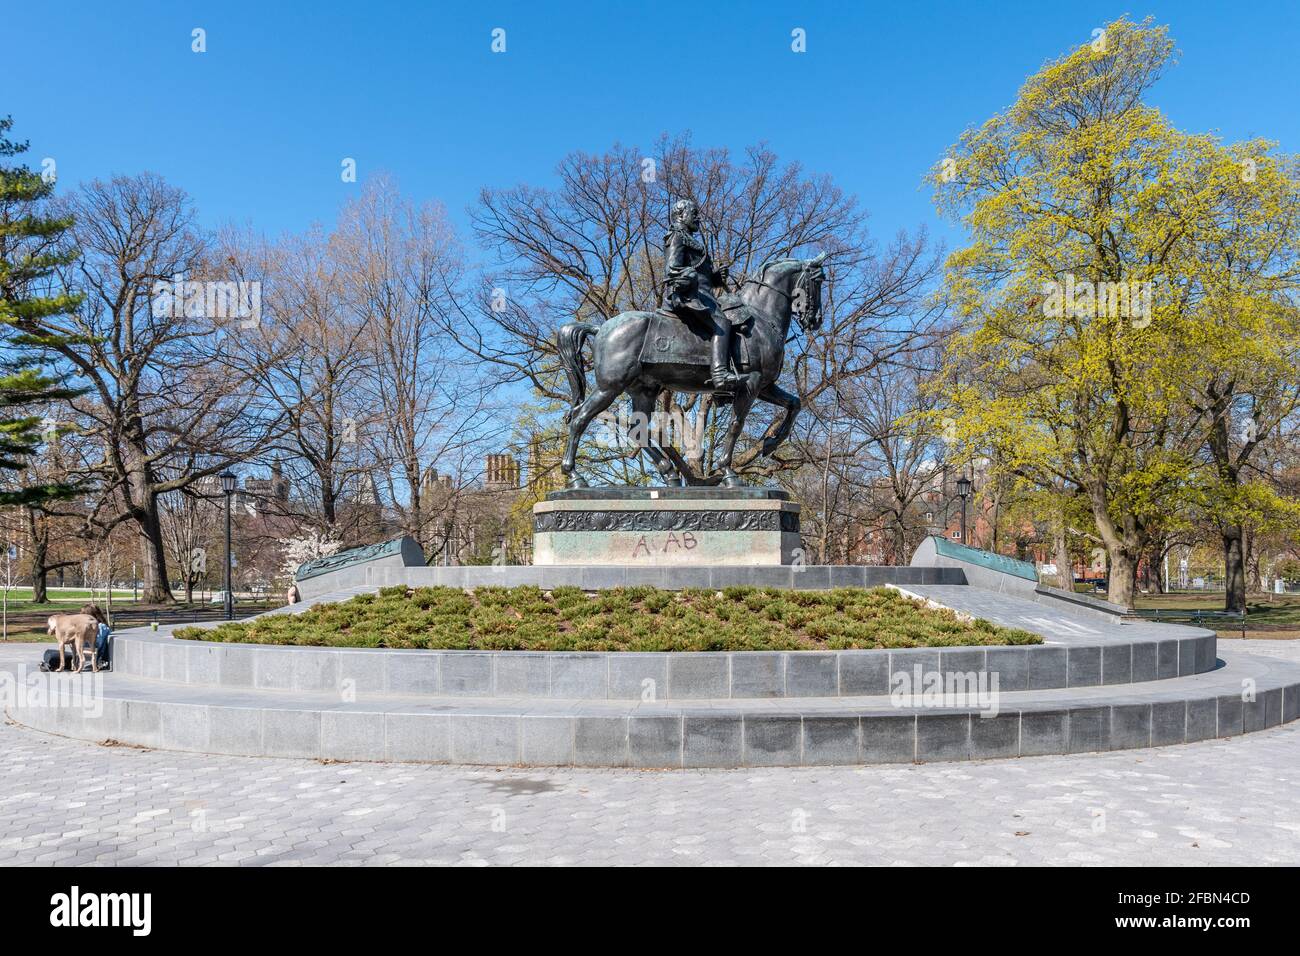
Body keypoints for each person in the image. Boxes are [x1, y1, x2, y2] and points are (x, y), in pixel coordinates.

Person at [662, 199, 740, 397]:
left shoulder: (691, 240)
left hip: (704, 294)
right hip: (687, 295)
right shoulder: (677, 236)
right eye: (694, 213)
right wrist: (689, 276)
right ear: (680, 215)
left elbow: (704, 277)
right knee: (722, 321)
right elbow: (672, 269)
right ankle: (719, 374)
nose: (698, 217)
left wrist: (715, 277)